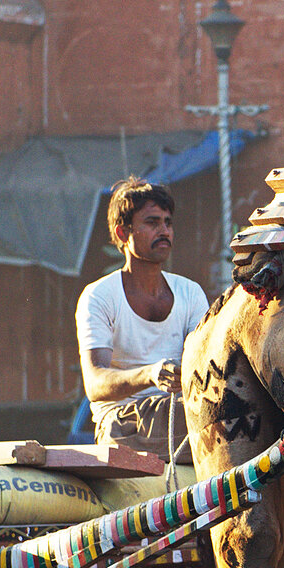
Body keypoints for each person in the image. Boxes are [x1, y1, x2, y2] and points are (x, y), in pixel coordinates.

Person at [76, 178, 208, 461]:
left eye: (168, 223)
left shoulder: (190, 292)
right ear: (123, 233)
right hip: (121, 422)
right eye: (152, 222)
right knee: (216, 418)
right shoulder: (98, 296)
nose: (164, 231)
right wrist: (151, 373)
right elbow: (95, 384)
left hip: (178, 410)